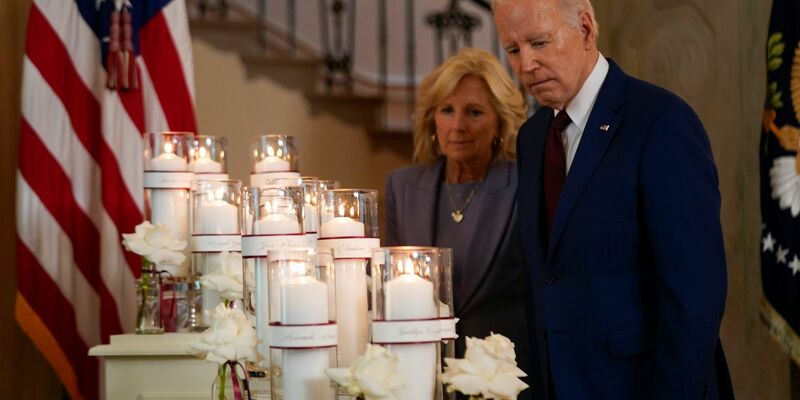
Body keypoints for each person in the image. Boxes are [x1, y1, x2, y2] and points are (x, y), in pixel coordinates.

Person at [492, 0, 734, 399]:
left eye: (539, 42)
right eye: (513, 50)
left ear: (586, 29)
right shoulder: (533, 137)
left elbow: (696, 297)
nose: (526, 65)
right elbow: (545, 283)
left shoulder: (662, 122)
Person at [384, 48, 532, 390]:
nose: (458, 125)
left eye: (474, 112)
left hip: (502, 376)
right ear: (432, 120)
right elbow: (387, 291)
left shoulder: (525, 185)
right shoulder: (402, 186)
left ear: (499, 122)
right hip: (420, 373)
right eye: (447, 110)